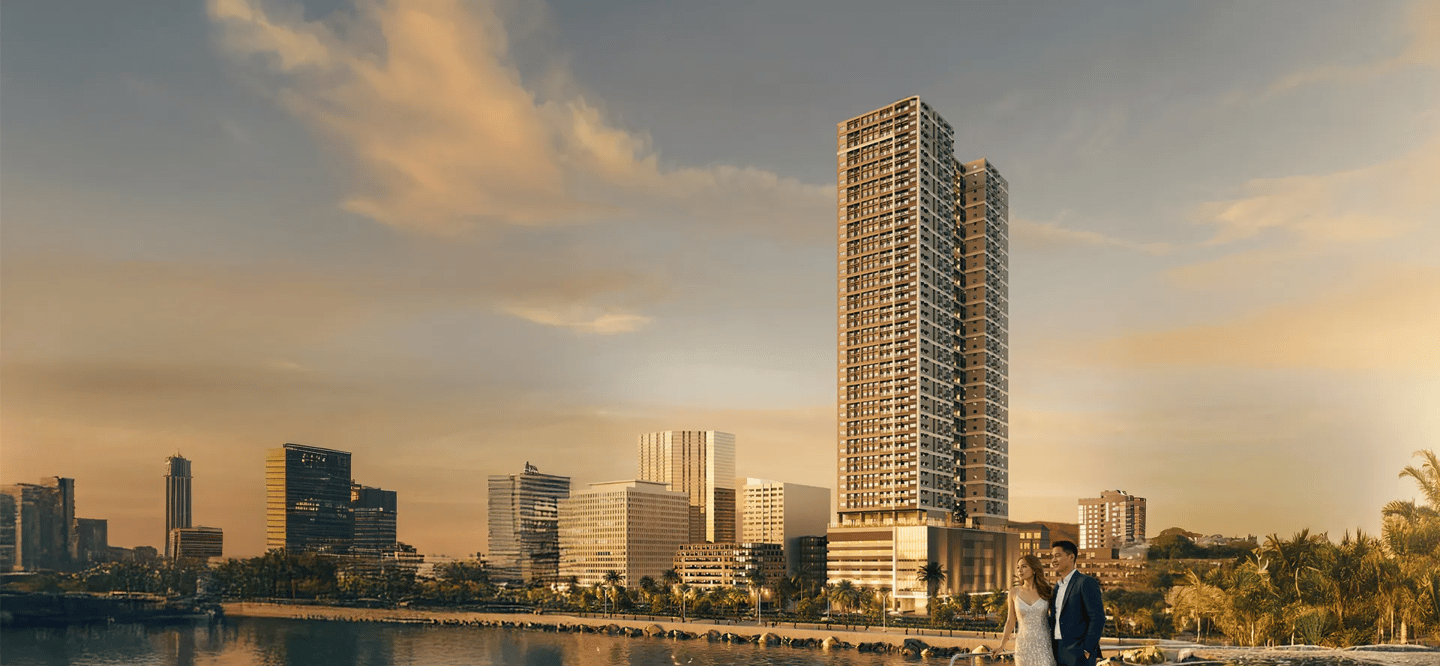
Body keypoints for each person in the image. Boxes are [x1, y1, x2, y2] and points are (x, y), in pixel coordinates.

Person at [1049, 540, 1104, 666]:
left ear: (1071, 557)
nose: (1053, 560)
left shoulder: (1085, 582)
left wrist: (1087, 649)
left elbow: (1097, 617)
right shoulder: (1057, 587)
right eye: (1052, 556)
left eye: (1057, 555)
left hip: (1078, 652)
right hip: (1057, 650)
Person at [995, 554, 1057, 666]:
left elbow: (1055, 619)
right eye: (1018, 567)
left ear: (1034, 569)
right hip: (1023, 645)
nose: (1020, 570)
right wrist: (1001, 646)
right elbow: (1010, 621)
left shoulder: (1047, 591)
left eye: (1024, 566)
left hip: (1044, 643)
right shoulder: (1014, 592)